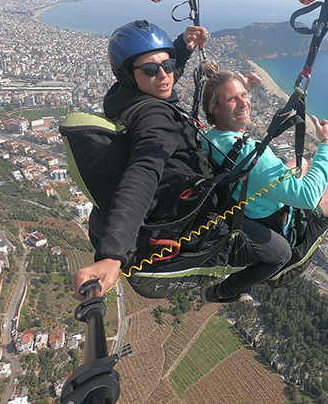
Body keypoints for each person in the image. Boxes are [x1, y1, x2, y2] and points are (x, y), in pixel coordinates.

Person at [72, 21, 291, 303]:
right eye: (151, 70)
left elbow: (161, 73)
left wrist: (182, 48)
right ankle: (225, 292)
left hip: (187, 196)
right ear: (127, 74)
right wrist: (112, 255)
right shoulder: (156, 119)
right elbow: (143, 174)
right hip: (196, 219)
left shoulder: (126, 97)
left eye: (168, 64)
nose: (164, 75)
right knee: (280, 254)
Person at [201, 71, 328, 281]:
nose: (243, 102)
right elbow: (309, 198)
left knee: (301, 163)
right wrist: (327, 143)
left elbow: (232, 110)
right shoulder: (250, 153)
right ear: (215, 108)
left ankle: (290, 190)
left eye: (243, 96)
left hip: (248, 203)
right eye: (233, 99)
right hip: (279, 223)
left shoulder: (213, 139)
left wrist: (244, 91)